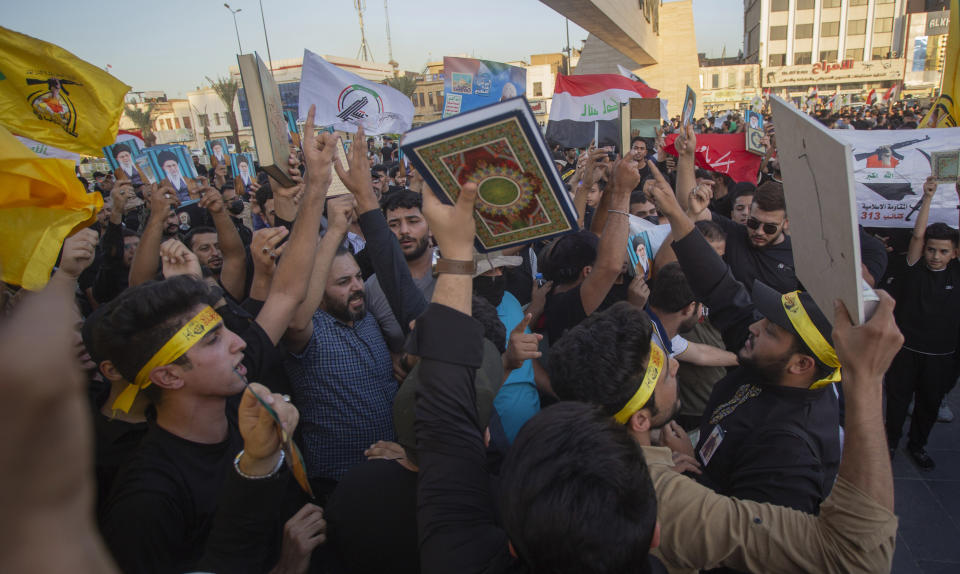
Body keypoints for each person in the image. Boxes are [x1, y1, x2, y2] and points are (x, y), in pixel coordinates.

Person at [409, 164, 900, 574]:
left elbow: (445, 423)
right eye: (667, 372)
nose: (676, 371)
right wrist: (867, 384)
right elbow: (854, 555)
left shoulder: (461, 546)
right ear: (659, 536)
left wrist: (454, 257)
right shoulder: (660, 493)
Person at [647, 159, 841, 513]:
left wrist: (691, 470)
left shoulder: (789, 450)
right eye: (763, 319)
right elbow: (722, 288)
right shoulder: (771, 357)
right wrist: (677, 214)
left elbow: (749, 541)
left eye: (769, 329)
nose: (753, 327)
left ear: (801, 363)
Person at [884, 176, 960, 470]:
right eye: (931, 249)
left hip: (941, 356)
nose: (935, 256)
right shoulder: (915, 269)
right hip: (906, 349)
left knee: (928, 405)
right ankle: (890, 442)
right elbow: (916, 237)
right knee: (898, 400)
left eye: (943, 251)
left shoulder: (956, 273)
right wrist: (928, 197)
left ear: (954, 253)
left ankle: (918, 445)